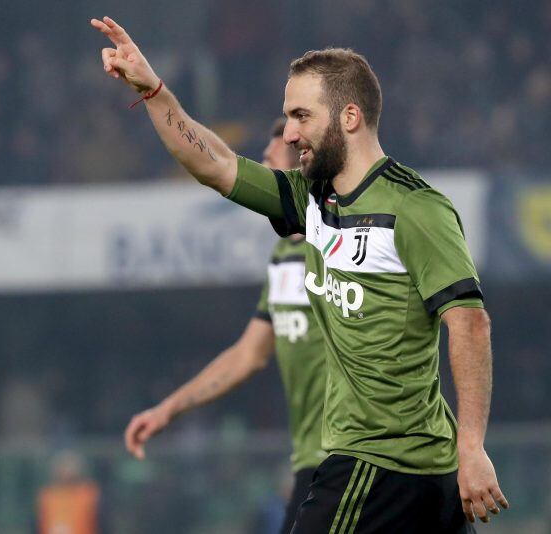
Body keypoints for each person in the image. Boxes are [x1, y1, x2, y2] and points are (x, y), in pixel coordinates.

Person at [91, 16, 509, 533]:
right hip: (412, 470)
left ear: (349, 117)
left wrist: (472, 448)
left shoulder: (415, 208)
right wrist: (153, 89)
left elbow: (469, 324)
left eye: (301, 116)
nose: (289, 133)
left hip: (376, 461)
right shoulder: (308, 200)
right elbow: (216, 164)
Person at [124, 118, 327, 534]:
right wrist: (170, 408)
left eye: (273, 159)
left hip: (354, 455)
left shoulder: (338, 242)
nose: (264, 164)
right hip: (311, 459)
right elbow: (248, 355)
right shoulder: (284, 254)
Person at [35, 450, 107, 534]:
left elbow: (101, 523)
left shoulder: (89, 494)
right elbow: (40, 523)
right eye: (64, 466)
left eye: (70, 466)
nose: (67, 471)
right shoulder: (48, 496)